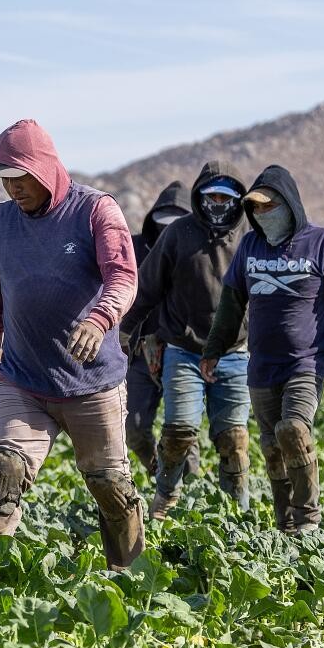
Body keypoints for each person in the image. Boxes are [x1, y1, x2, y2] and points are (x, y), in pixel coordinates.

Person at [0, 120, 143, 570]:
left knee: (109, 486)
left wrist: (100, 319)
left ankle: (130, 577)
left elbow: (123, 277)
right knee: (4, 469)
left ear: (44, 169)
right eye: (4, 181)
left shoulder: (96, 211)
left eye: (19, 178)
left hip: (92, 383)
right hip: (22, 381)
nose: (12, 190)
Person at [202, 165, 324, 534]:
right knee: (272, 448)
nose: (262, 214)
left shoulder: (323, 243)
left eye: (268, 206)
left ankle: (307, 518)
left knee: (292, 429)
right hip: (261, 366)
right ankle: (285, 523)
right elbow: (231, 305)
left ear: (289, 204)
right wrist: (213, 349)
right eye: (255, 209)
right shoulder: (250, 246)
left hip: (307, 362)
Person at [121, 162, 252, 518]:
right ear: (201, 197)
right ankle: (166, 499)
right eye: (212, 196)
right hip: (183, 351)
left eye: (227, 197)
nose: (219, 204)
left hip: (234, 354)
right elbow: (146, 289)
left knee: (234, 440)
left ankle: (237, 512)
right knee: (178, 433)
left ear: (238, 198)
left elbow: (271, 295)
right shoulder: (178, 234)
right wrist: (124, 331)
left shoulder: (250, 237)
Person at [123, 180, 194, 478]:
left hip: (182, 349)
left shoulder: (198, 250)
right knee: (134, 427)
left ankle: (187, 490)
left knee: (182, 428)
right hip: (140, 351)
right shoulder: (135, 247)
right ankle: (160, 470)